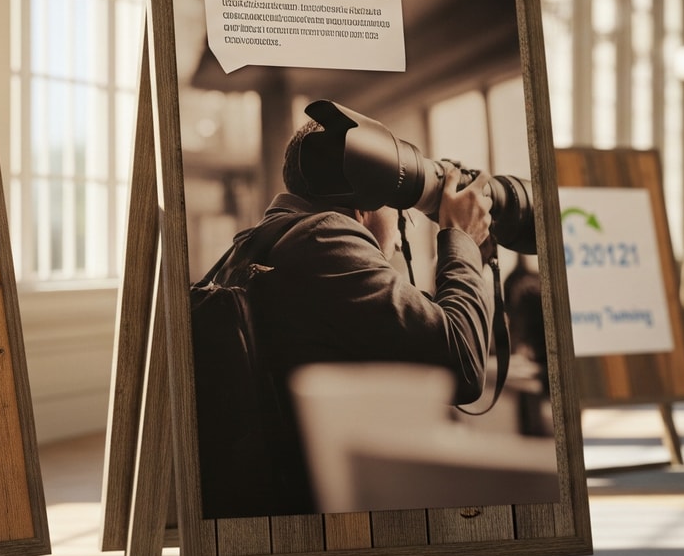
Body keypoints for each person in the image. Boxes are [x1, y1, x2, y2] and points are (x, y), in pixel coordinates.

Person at [195, 120, 497, 517]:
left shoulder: (261, 244)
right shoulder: (325, 237)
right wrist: (459, 238)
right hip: (312, 507)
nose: (404, 221)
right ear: (367, 201)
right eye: (399, 207)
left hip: (262, 498)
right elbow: (463, 362)